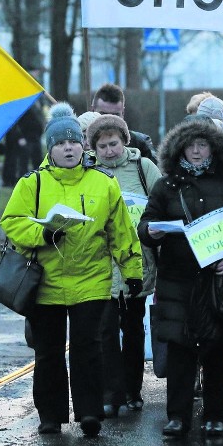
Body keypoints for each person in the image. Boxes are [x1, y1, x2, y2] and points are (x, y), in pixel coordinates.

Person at [0, 103, 143, 437]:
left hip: (90, 281)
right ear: (50, 149)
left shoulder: (103, 184)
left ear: (83, 146)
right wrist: (43, 233)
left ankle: (90, 412)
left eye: (74, 142)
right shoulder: (32, 184)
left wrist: (132, 270)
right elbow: (12, 223)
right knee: (48, 352)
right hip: (44, 283)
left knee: (87, 349)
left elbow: (121, 231)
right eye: (61, 143)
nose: (68, 148)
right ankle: (50, 415)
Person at [138, 115, 223, 438]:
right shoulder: (166, 185)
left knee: (217, 351)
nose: (197, 151)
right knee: (179, 351)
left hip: (217, 284)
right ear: (180, 149)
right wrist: (154, 232)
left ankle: (216, 415)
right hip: (178, 280)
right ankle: (177, 417)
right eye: (191, 145)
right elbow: (145, 225)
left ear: (215, 148)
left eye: (203, 144)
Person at [87, 114, 161, 419]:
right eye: (102, 145)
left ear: (125, 141)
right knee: (105, 331)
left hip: (137, 262)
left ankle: (133, 390)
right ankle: (111, 393)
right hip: (101, 265)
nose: (108, 150)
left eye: (113, 143)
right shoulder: (88, 171)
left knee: (133, 331)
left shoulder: (143, 168)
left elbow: (161, 202)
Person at [91, 83, 156, 162]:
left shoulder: (140, 144)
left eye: (115, 115)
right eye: (103, 115)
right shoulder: (80, 143)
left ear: (123, 113)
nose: (109, 121)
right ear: (93, 111)